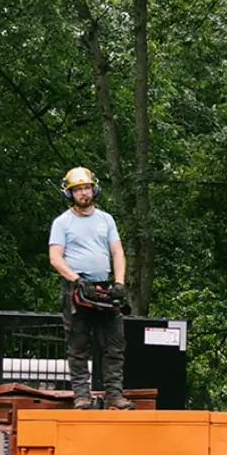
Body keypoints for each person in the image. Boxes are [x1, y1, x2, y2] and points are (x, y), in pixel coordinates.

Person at [47, 166, 134, 410]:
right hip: (76, 291)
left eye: (87, 188)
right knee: (78, 346)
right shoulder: (62, 223)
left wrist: (119, 283)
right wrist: (76, 279)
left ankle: (114, 395)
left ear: (94, 188)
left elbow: (117, 252)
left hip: (105, 290)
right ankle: (82, 396)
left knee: (115, 345)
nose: (84, 193)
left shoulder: (106, 219)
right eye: (78, 190)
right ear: (69, 194)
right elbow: (55, 257)